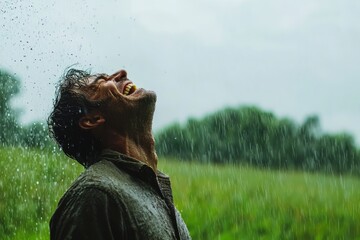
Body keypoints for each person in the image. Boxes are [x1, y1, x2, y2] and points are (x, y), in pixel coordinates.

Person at [47, 68, 191, 240]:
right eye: (101, 82)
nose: (121, 73)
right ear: (92, 120)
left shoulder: (148, 186)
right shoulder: (95, 195)